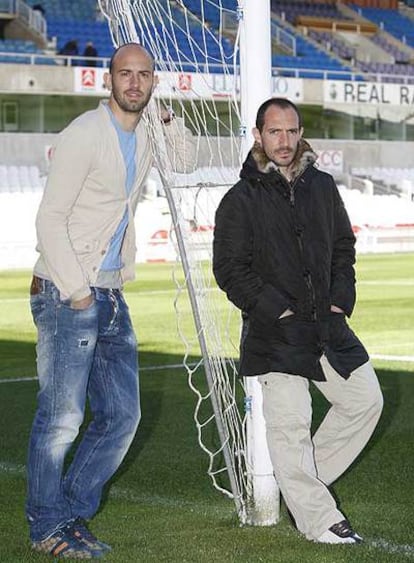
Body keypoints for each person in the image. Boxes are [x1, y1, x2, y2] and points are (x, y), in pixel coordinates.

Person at [27, 43, 195, 559]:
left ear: (153, 82)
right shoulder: (84, 135)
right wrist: (78, 293)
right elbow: (49, 220)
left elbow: (186, 160)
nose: (135, 83)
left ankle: (71, 514)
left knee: (123, 416)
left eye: (145, 75)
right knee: (61, 419)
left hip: (112, 291)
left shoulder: (147, 130)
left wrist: (166, 115)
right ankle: (46, 527)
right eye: (126, 74)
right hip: (67, 290)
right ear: (109, 81)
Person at [212, 97, 383, 545]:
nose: (284, 141)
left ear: (300, 131)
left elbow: (344, 247)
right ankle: (319, 519)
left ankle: (302, 486)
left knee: (366, 400)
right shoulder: (240, 199)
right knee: (290, 427)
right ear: (257, 136)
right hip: (275, 331)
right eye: (274, 132)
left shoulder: (323, 186)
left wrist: (340, 299)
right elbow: (229, 270)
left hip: (327, 327)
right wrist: (277, 308)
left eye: (291, 131)